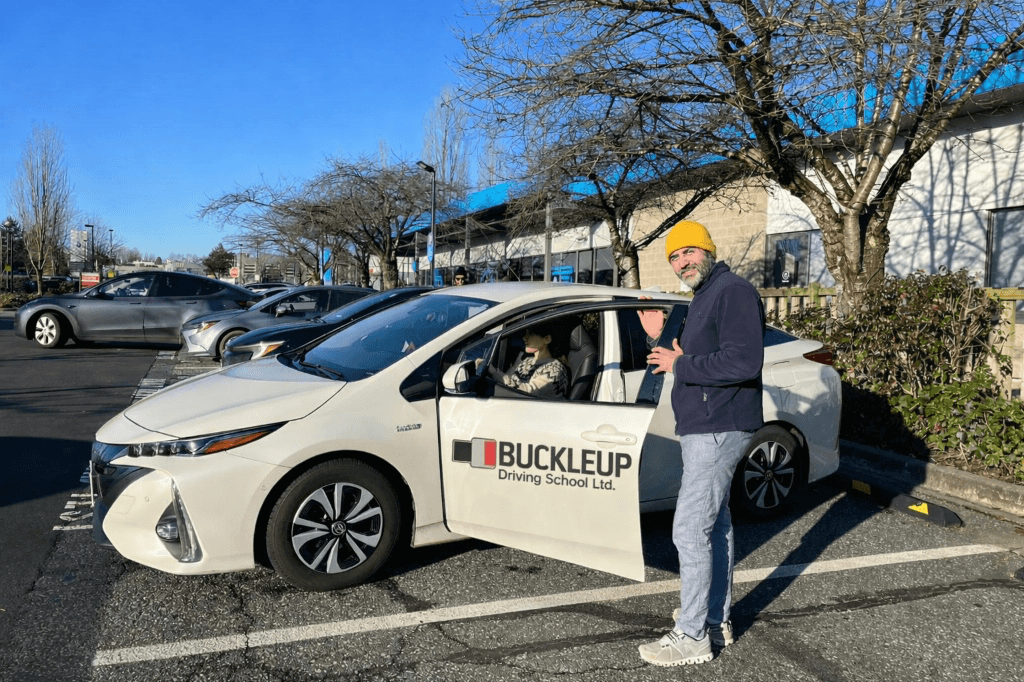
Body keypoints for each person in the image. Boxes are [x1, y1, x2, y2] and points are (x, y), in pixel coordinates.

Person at [638, 220, 765, 667]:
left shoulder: (731, 291)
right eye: (674, 256)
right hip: (707, 425)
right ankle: (714, 619)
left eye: (688, 251)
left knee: (689, 530)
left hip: (718, 426)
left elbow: (744, 360)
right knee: (716, 525)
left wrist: (681, 363)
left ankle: (691, 636)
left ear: (708, 250)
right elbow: (696, 357)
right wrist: (661, 344)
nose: (681, 262)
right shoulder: (704, 295)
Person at [478, 319, 570, 398]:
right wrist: (494, 371)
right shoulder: (528, 360)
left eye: (530, 334)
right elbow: (509, 380)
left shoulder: (554, 370)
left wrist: (494, 373)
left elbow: (528, 393)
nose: (524, 338)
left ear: (547, 339)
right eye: (525, 333)